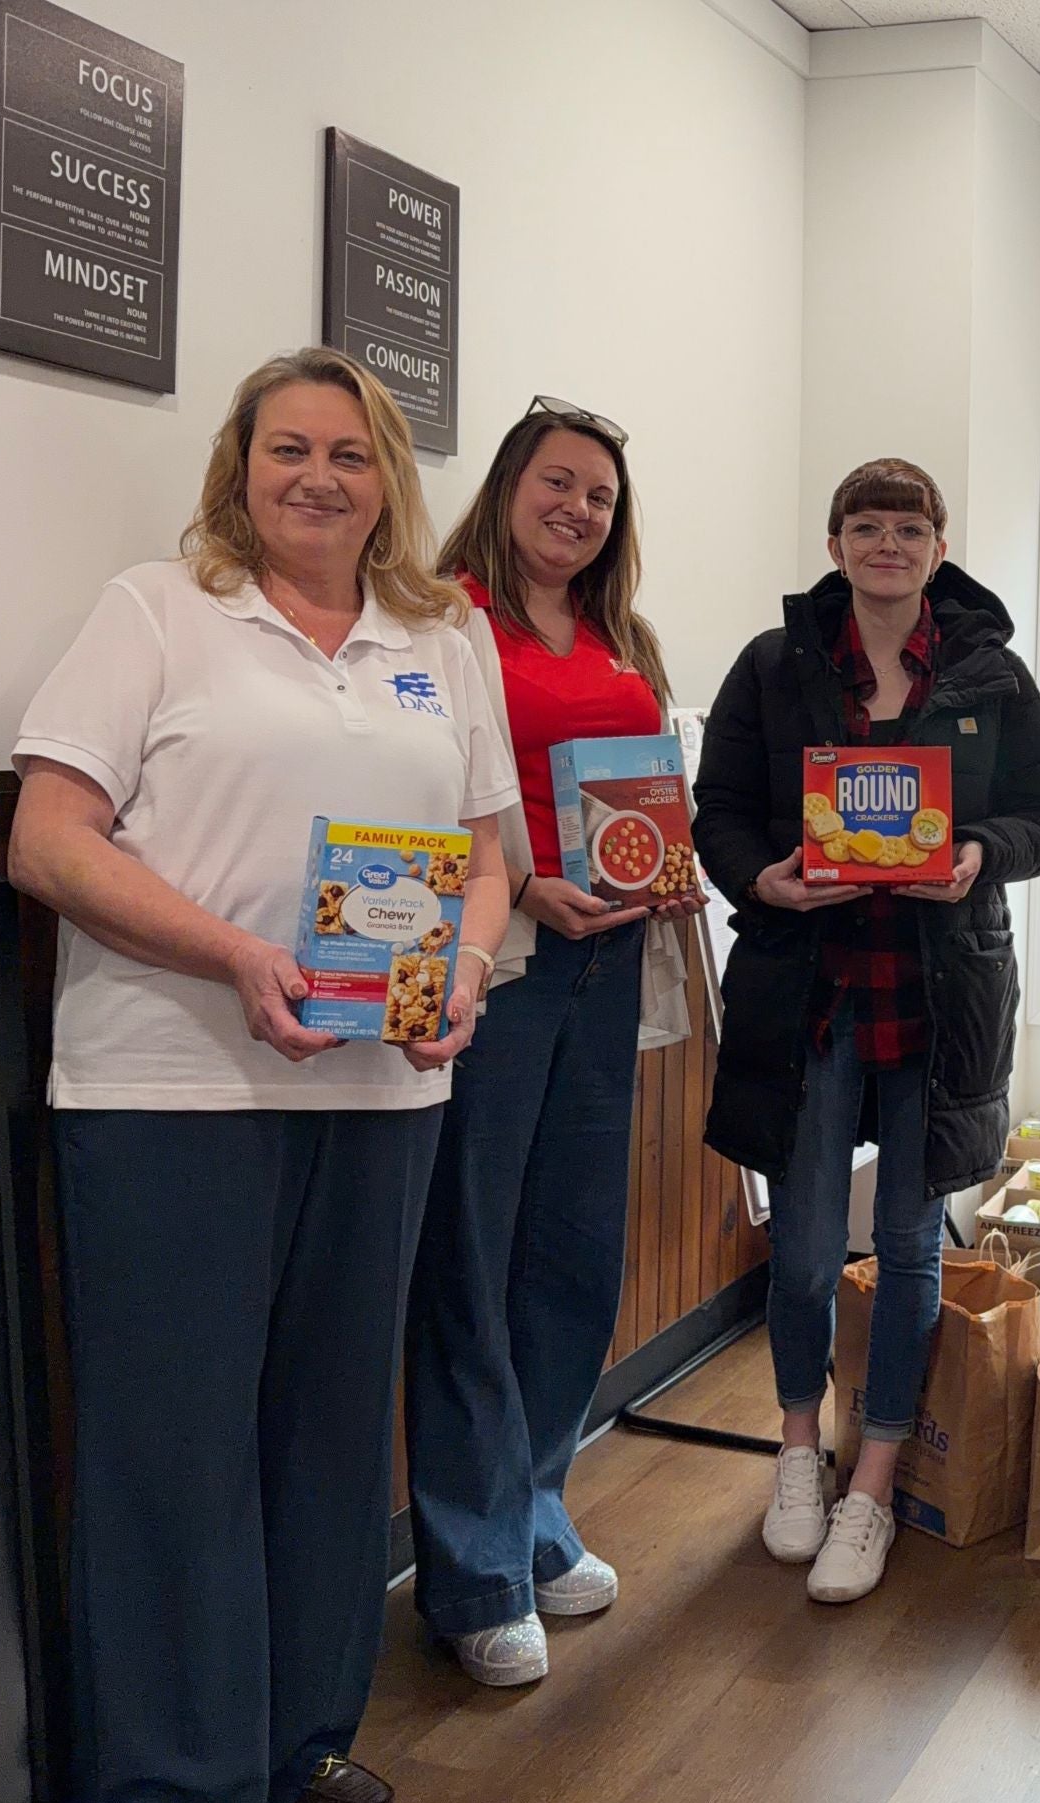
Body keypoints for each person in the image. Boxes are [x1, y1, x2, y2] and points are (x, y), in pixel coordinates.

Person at [9, 347, 516, 1803]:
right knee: (168, 1464)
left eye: (348, 451)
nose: (319, 475)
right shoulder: (158, 611)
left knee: (318, 1438)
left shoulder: (440, 639)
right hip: (174, 1094)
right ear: (242, 467)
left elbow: (494, 848)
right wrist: (230, 952)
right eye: (287, 448)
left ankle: (298, 1741)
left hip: (384, 1092)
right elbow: (49, 839)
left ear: (387, 477)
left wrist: (466, 965)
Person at [693, 459, 1040, 1605]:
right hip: (809, 991)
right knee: (807, 1247)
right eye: (866, 527)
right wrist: (760, 879)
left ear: (937, 544)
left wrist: (974, 856)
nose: (888, 546)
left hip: (938, 995)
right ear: (834, 544)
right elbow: (716, 810)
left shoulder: (988, 673)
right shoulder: (773, 668)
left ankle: (874, 1476)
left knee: (911, 1246)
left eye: (908, 528)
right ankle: (798, 1449)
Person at [403, 397, 702, 1688]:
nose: (578, 509)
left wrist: (673, 867)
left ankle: (530, 1516)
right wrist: (526, 887)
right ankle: (470, 1568)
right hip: (507, 961)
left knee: (574, 1253)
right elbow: (435, 792)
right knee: (471, 1255)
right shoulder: (441, 616)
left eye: (599, 496)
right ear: (509, 486)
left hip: (610, 961)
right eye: (558, 484)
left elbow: (645, 789)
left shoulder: (619, 635)